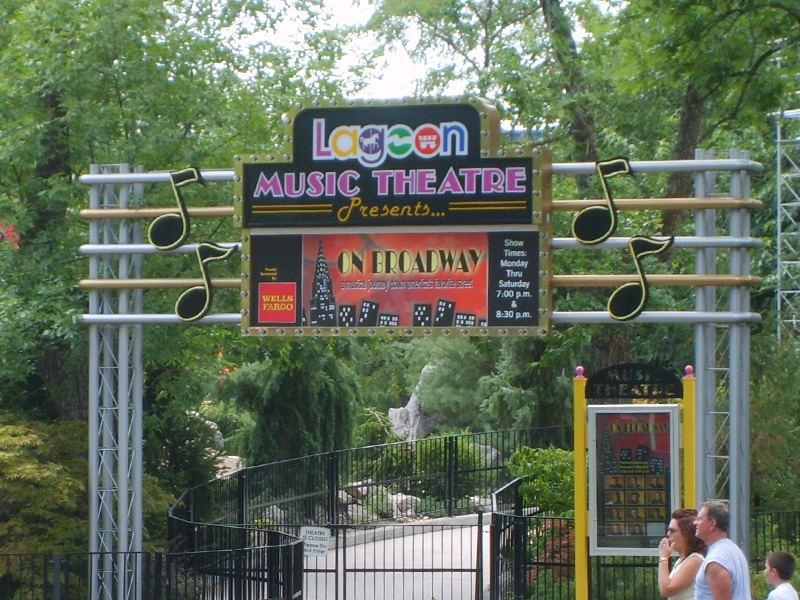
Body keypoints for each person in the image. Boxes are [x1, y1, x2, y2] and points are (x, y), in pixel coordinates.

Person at [693, 501, 751, 600]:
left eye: (699, 519)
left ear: (712, 524)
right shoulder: (734, 550)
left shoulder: (716, 560)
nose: (695, 523)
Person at [657, 508, 706, 600]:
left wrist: (663, 557)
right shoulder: (682, 560)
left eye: (673, 530)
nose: (668, 534)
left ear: (687, 534)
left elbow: (666, 590)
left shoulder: (695, 560)